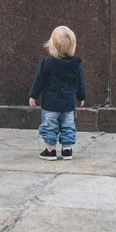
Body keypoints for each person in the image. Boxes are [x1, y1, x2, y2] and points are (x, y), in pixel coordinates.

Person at [29, 26, 86, 160]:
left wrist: (33, 95)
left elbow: (39, 80)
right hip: (68, 102)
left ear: (52, 45)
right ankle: (67, 150)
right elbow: (80, 82)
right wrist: (81, 97)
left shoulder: (48, 62)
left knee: (50, 125)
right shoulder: (76, 64)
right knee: (68, 125)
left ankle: (50, 151)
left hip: (51, 102)